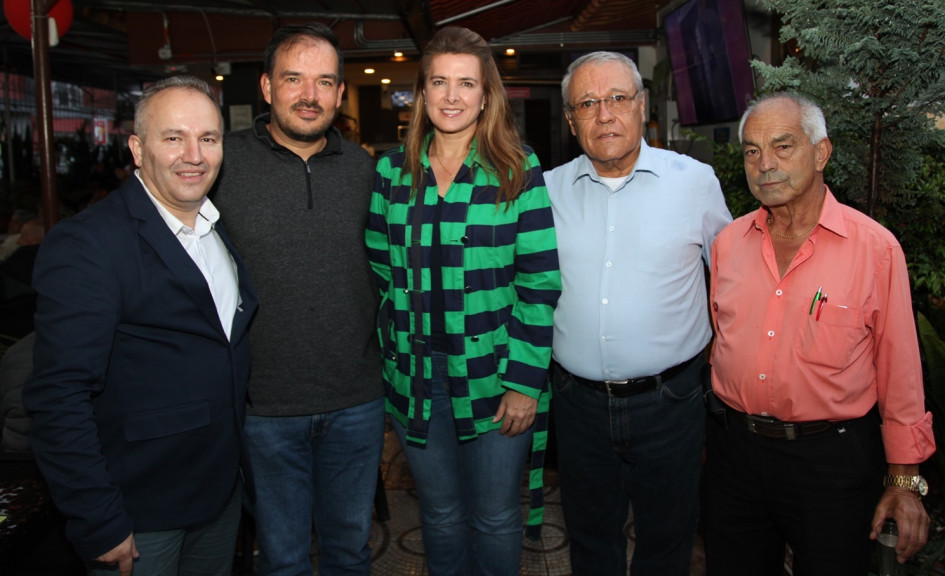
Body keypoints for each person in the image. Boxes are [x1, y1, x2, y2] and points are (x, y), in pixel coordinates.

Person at [22, 75, 258, 576]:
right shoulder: (90, 243)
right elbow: (57, 394)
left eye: (208, 139)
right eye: (173, 137)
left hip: (217, 495)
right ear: (137, 147)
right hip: (139, 510)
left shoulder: (215, 228)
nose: (193, 154)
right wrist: (98, 518)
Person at [703, 92, 936, 575]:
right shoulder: (728, 243)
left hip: (831, 462)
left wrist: (905, 482)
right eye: (751, 151)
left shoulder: (874, 249)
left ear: (821, 152)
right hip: (735, 454)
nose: (764, 164)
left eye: (782, 146)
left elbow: (901, 373)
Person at [364, 26, 561, 576]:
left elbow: (540, 282)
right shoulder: (391, 173)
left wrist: (525, 383)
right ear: (422, 93)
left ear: (485, 94)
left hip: (496, 382)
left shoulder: (518, 170)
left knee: (496, 517)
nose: (452, 96)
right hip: (417, 383)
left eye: (466, 84)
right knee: (443, 514)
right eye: (440, 82)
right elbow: (382, 275)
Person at [543, 51, 732, 575]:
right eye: (587, 102)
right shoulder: (546, 191)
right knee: (589, 538)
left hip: (671, 402)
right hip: (575, 404)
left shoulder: (695, 182)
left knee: (667, 540)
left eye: (617, 98)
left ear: (642, 106)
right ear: (570, 119)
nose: (604, 114)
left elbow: (734, 282)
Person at [211, 23, 385, 576]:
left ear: (338, 93)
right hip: (262, 407)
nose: (310, 95)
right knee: (281, 559)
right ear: (266, 87)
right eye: (294, 79)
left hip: (356, 400)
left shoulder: (368, 171)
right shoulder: (221, 165)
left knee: (350, 553)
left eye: (324, 81)